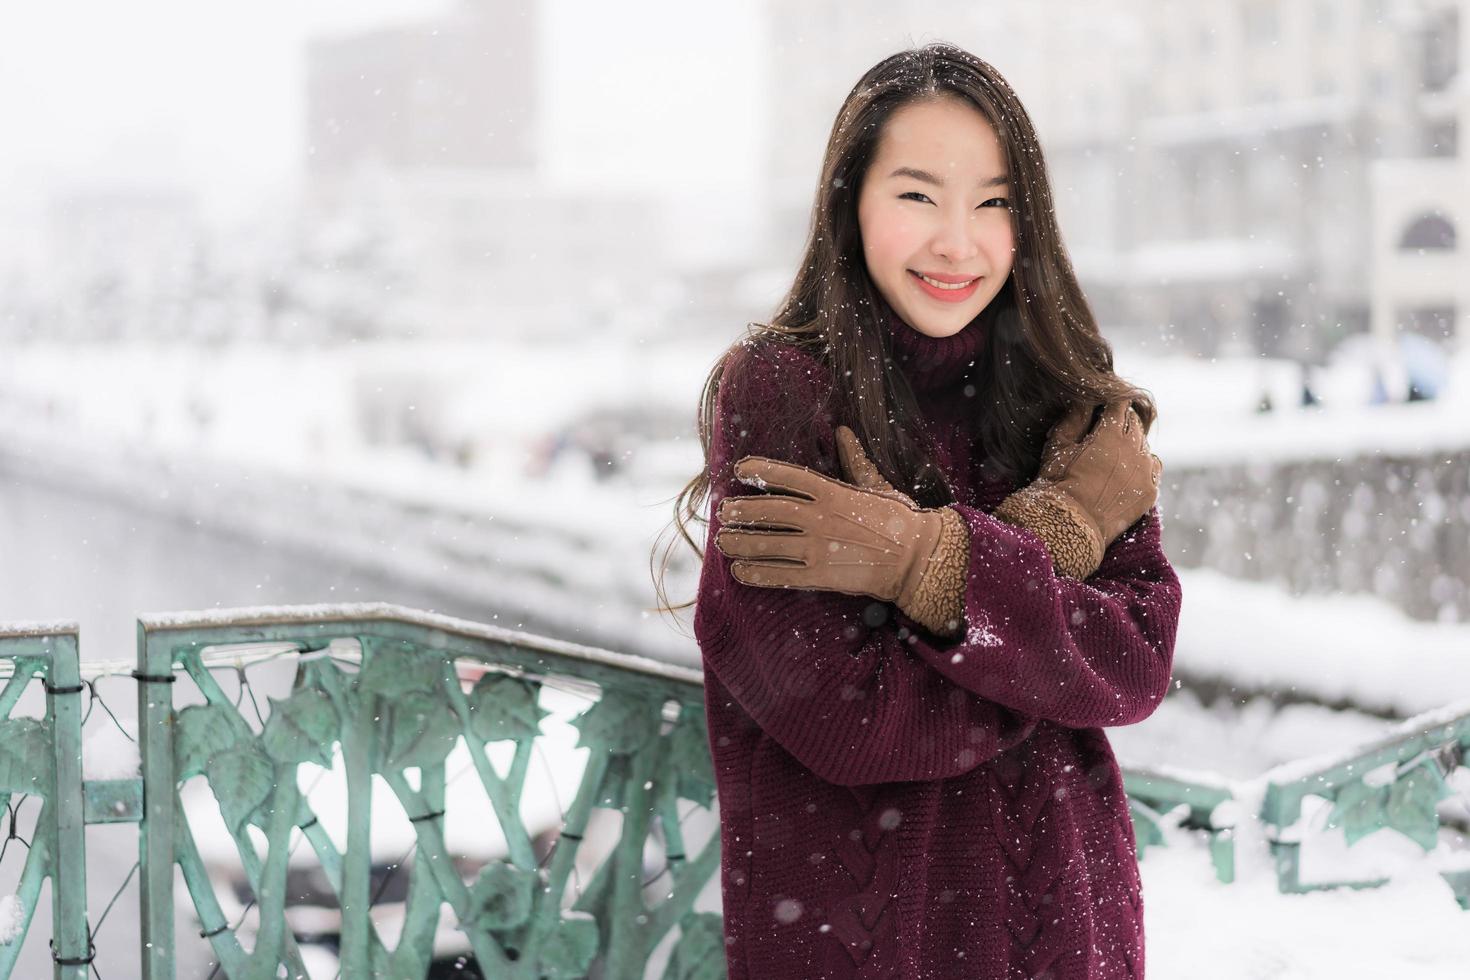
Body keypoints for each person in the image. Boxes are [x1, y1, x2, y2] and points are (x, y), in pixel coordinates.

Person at [652, 42, 1180, 980]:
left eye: (994, 202)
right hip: (863, 942)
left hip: (1072, 930)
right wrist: (1051, 543)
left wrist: (935, 568)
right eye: (916, 195)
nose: (957, 241)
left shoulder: (1074, 405)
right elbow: (850, 721)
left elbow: (1136, 662)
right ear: (849, 204)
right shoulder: (781, 394)